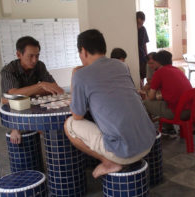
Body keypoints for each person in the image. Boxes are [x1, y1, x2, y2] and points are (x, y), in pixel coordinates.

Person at [64, 29, 156, 178]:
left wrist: (75, 75)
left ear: (84, 51)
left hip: (124, 152)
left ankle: (108, 162)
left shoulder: (80, 74)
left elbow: (77, 115)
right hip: (147, 142)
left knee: (69, 125)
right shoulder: (121, 66)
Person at [0, 36, 64, 144]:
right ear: (19, 55)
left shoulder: (39, 65)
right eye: (30, 56)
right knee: (10, 102)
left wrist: (26, 93)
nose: (34, 60)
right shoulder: (8, 70)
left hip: (31, 103)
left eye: (37, 56)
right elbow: (13, 96)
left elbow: (57, 89)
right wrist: (40, 86)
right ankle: (15, 127)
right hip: (12, 107)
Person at [144, 50, 192, 138]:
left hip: (178, 113)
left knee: (144, 103)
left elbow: (151, 97)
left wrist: (144, 93)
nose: (151, 65)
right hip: (191, 110)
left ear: (157, 62)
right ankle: (168, 129)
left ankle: (149, 134)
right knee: (163, 102)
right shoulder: (177, 70)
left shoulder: (159, 73)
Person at [137, 11, 149, 86]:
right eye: (138, 23)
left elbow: (144, 43)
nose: (140, 26)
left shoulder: (143, 29)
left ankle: (142, 87)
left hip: (142, 54)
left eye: (141, 24)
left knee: (142, 73)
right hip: (134, 54)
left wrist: (146, 55)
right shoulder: (131, 29)